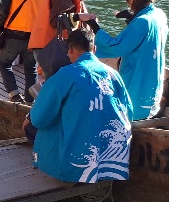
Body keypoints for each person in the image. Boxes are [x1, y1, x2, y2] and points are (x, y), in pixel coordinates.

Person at [25, 26, 134, 184]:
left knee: (31, 125)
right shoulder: (113, 74)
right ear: (94, 49)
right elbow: (129, 113)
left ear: (70, 49)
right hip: (117, 155)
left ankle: (61, 169)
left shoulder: (65, 74)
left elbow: (39, 119)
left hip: (78, 158)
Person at [93, 0, 169, 121]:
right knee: (146, 105)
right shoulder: (159, 15)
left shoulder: (141, 22)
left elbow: (115, 47)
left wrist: (94, 27)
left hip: (136, 85)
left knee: (128, 110)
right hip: (151, 83)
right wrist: (132, 16)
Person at [28, 0, 107, 84]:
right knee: (57, 84)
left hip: (51, 46)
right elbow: (56, 21)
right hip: (50, 47)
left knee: (58, 84)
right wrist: (79, 16)